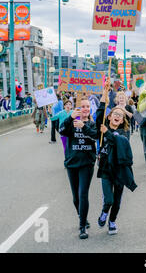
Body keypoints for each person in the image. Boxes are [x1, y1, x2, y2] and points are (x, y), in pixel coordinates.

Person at [96, 84, 137, 235]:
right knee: (109, 200)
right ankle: (104, 212)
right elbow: (100, 113)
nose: (118, 116)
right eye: (115, 113)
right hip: (106, 168)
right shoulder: (102, 128)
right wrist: (104, 93)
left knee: (117, 201)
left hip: (119, 169)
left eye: (120, 115)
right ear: (110, 116)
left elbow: (118, 142)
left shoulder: (124, 132)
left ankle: (112, 221)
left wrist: (108, 133)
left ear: (121, 121)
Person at [59, 96, 98, 239]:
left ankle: (82, 227)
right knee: (75, 198)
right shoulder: (71, 122)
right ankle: (82, 217)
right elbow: (62, 130)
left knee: (83, 195)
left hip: (87, 164)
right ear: (78, 108)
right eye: (83, 106)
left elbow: (96, 136)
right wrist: (71, 118)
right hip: (72, 162)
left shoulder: (92, 124)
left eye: (88, 106)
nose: (85, 109)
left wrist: (84, 126)